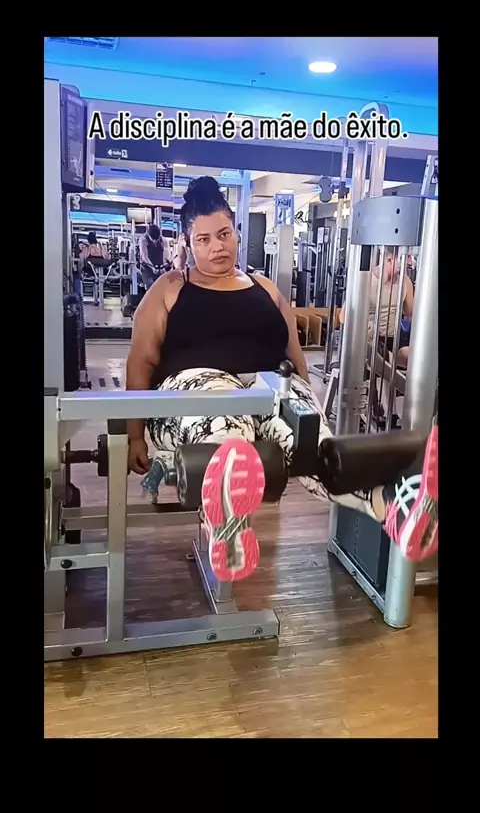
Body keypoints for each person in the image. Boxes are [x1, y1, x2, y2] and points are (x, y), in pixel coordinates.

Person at [126, 177, 438, 581]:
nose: (217, 246)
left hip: (270, 388)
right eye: (203, 239)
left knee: (314, 445)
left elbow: (295, 359)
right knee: (227, 430)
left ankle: (390, 505)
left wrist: (306, 406)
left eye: (224, 234)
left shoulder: (265, 287)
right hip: (196, 390)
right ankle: (227, 524)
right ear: (188, 244)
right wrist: (135, 436)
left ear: (237, 232)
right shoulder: (170, 288)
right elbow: (140, 363)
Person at [139, 224, 165, 289]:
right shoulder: (143, 240)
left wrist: (164, 267)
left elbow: (166, 255)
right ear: (148, 235)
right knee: (151, 285)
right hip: (147, 268)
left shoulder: (163, 240)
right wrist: (152, 268)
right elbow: (144, 257)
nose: (155, 241)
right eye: (153, 239)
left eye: (157, 239)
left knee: (166, 284)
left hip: (160, 268)